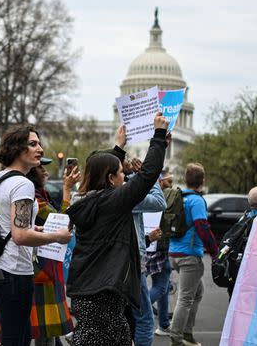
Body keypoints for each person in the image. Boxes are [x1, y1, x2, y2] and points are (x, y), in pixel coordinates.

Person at [66, 112, 169, 345]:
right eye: (122, 173)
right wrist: (159, 137)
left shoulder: (84, 200)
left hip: (86, 290)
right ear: (111, 179)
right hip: (105, 292)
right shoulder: (112, 202)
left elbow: (103, 170)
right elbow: (147, 175)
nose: (126, 176)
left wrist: (118, 148)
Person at [0, 125, 72, 346]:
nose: (40, 149)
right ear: (17, 149)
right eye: (33, 144)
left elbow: (8, 224)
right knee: (16, 340)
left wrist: (38, 230)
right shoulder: (22, 184)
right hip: (14, 271)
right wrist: (57, 237)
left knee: (16, 337)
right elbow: (21, 235)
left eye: (39, 143)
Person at [168, 163, 218, 346]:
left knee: (198, 292)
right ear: (202, 181)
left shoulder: (180, 196)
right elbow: (202, 228)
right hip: (189, 255)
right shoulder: (197, 200)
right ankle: (177, 337)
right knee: (185, 298)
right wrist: (214, 252)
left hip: (173, 252)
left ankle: (187, 333)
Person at [123, 157, 167, 346]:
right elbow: (159, 202)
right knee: (144, 319)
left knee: (120, 317)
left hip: (108, 264)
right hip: (131, 264)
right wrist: (148, 175)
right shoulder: (123, 195)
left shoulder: (91, 195)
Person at [148, 171, 175, 337]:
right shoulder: (161, 199)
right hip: (158, 246)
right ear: (160, 180)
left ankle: (164, 324)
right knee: (161, 286)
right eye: (168, 181)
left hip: (152, 245)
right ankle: (135, 308)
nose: (171, 185)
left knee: (163, 285)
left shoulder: (147, 192)